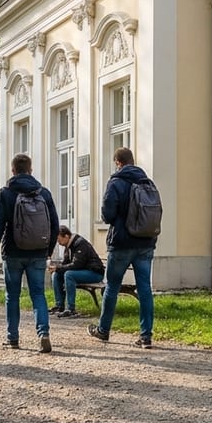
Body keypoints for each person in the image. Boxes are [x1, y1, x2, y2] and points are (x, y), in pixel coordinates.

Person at [0, 153, 59, 353]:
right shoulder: (44, 193)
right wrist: (48, 249)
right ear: (30, 170)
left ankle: (13, 338)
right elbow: (54, 224)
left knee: (12, 296)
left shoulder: (5, 193)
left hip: (13, 252)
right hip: (38, 252)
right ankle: (43, 333)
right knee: (38, 294)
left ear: (13, 171)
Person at [89, 147, 158, 348]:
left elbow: (107, 215)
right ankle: (146, 336)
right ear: (133, 161)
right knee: (145, 288)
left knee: (112, 286)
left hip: (121, 243)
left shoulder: (116, 182)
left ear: (118, 162)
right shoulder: (147, 182)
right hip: (146, 242)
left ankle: (103, 330)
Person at [50, 225, 104, 318]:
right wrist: (56, 268)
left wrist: (58, 268)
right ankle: (60, 306)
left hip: (94, 273)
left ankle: (71, 309)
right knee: (56, 274)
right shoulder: (68, 246)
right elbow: (65, 264)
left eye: (59, 239)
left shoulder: (80, 244)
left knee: (69, 274)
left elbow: (77, 264)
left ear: (66, 236)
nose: (58, 242)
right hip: (83, 272)